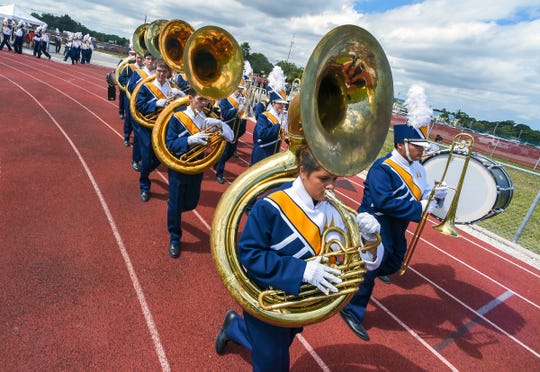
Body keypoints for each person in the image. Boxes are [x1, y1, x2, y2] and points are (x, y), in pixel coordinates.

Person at [214, 145, 384, 371]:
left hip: (301, 301)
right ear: (302, 171)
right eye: (324, 179)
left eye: (335, 178)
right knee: (274, 362)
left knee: (279, 344)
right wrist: (301, 270)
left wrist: (369, 238)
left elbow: (367, 263)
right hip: (266, 299)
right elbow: (249, 253)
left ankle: (235, 327)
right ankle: (243, 331)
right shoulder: (271, 205)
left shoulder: (334, 209)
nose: (332, 186)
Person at [339, 85, 449, 341]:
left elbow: (421, 193)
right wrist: (419, 207)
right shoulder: (383, 168)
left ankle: (366, 274)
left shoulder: (418, 168)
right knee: (369, 267)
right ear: (402, 144)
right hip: (374, 225)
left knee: (395, 261)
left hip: (398, 226)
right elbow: (384, 202)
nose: (423, 151)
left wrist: (435, 196)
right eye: (418, 147)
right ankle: (351, 308)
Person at [165, 87, 234, 258]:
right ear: (190, 98)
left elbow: (231, 138)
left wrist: (220, 124)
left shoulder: (206, 119)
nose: (204, 103)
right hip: (178, 166)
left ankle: (174, 209)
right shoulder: (177, 117)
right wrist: (189, 140)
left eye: (205, 100)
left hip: (197, 167)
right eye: (200, 99)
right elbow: (170, 144)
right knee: (175, 204)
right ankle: (175, 237)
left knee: (191, 203)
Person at [134, 58, 184, 202]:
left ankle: (145, 171)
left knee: (159, 157)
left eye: (164, 71)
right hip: (148, 127)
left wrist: (180, 99)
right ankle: (144, 186)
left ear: (168, 73)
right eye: (159, 71)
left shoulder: (173, 88)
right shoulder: (146, 87)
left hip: (164, 128)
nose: (161, 74)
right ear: (155, 71)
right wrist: (156, 103)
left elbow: (179, 111)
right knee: (146, 155)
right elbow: (140, 106)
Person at [126, 51, 154, 172]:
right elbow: (130, 87)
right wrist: (141, 85)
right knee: (138, 136)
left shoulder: (158, 74)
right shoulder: (138, 73)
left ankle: (146, 159)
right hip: (139, 108)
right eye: (148, 59)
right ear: (144, 60)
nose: (150, 61)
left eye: (152, 59)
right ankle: (135, 160)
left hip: (153, 111)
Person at [214, 84, 247, 184]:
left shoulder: (242, 99)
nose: (239, 91)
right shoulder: (225, 99)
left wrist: (246, 108)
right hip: (227, 128)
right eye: (238, 89)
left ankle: (217, 163)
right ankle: (219, 174)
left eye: (241, 89)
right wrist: (236, 109)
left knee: (231, 152)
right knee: (224, 152)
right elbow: (225, 114)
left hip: (236, 129)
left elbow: (244, 115)